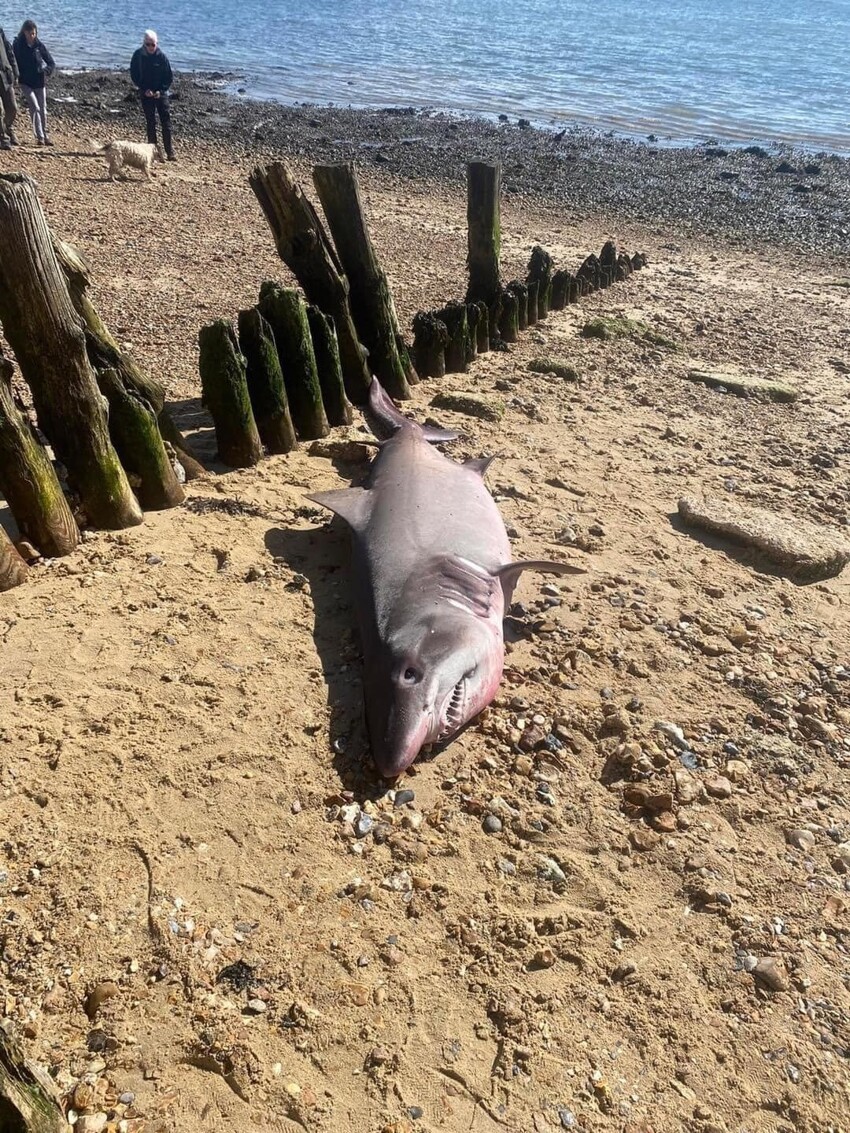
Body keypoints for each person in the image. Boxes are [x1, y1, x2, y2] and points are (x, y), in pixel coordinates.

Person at [130, 29, 175, 161]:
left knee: (166, 122)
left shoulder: (162, 57)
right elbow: (134, 75)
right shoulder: (138, 55)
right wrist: (144, 90)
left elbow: (169, 77)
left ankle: (170, 152)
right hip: (146, 93)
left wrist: (160, 91)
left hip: (160, 93)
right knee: (151, 122)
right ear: (144, 43)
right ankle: (153, 152)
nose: (150, 47)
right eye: (148, 44)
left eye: (152, 44)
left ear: (156, 44)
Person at [12, 20, 55, 146]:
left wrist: (45, 71)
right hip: (25, 82)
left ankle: (45, 136)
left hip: (39, 82)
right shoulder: (18, 45)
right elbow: (13, 61)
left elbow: (51, 62)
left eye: (34, 34)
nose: (32, 36)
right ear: (24, 32)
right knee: (34, 107)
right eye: (30, 33)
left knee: (43, 109)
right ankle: (39, 136)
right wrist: (15, 76)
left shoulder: (39, 45)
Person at [0, 26, 19, 149]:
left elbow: (9, 50)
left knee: (12, 108)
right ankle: (3, 138)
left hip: (5, 74)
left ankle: (7, 127)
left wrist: (15, 70)